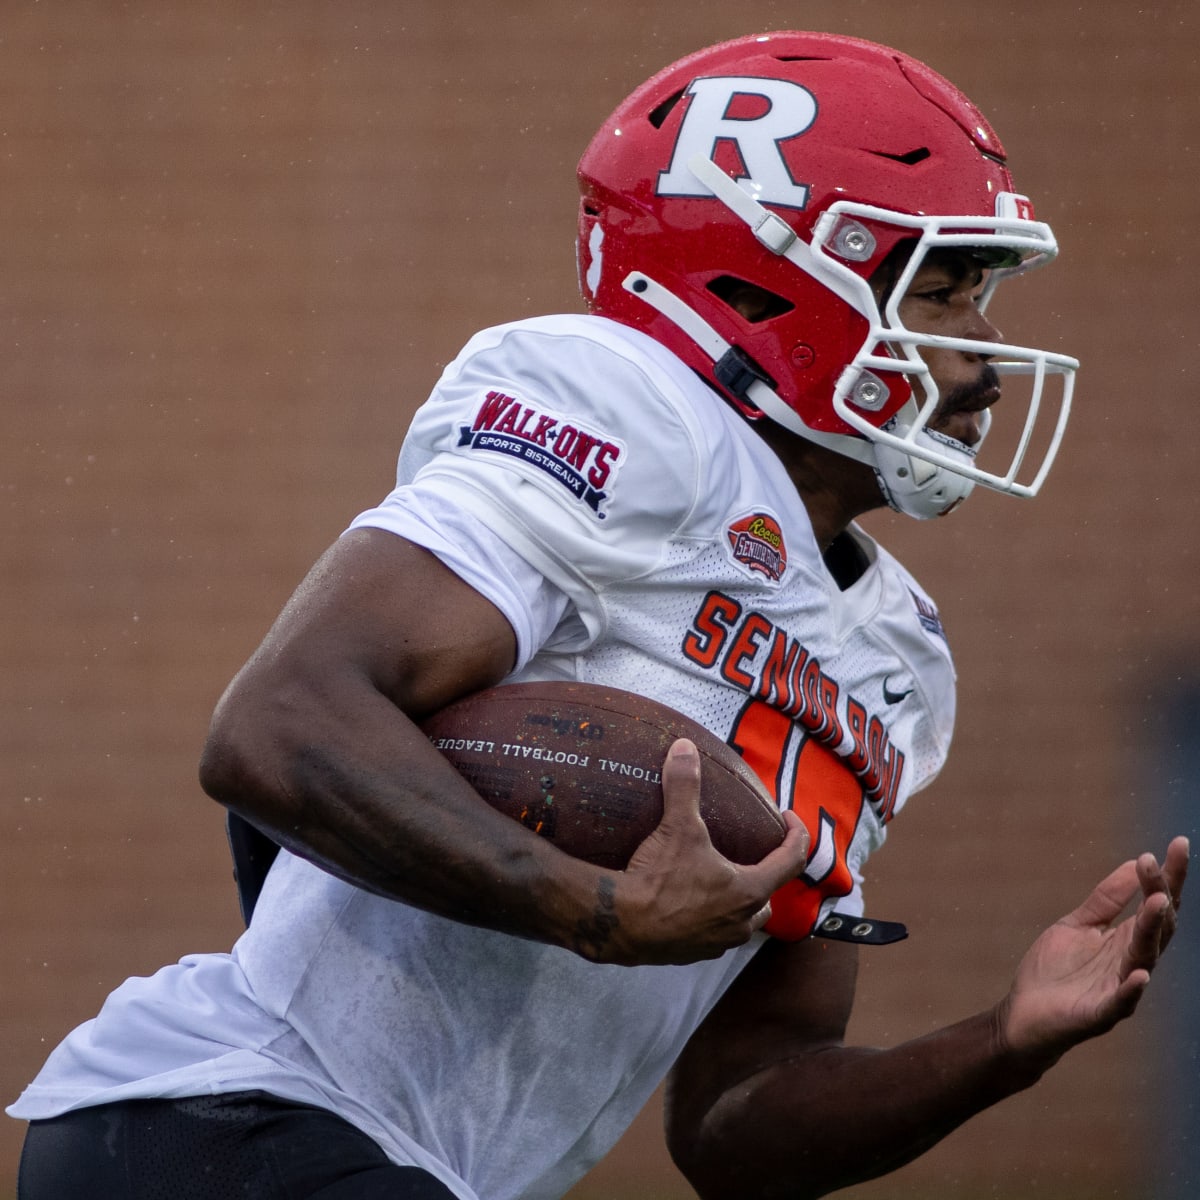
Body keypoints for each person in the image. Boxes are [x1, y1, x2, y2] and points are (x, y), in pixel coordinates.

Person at [8, 30, 1187, 1200]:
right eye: (939, 290)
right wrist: (591, 907)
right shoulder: (640, 420)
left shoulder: (898, 662)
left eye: (980, 298)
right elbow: (278, 725)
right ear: (765, 281)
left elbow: (736, 1123)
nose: (980, 353)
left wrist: (1004, 1043)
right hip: (228, 1116)